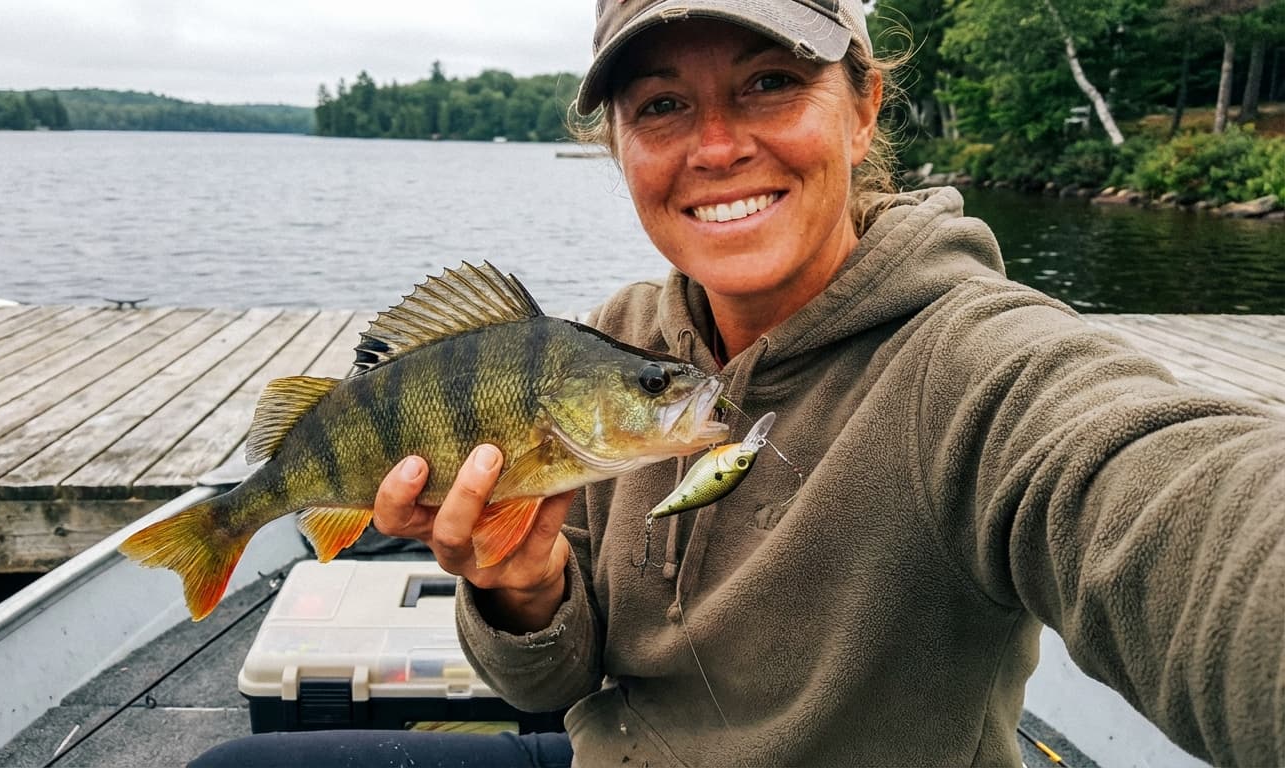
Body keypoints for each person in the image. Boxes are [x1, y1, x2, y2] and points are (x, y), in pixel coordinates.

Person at [193, 0, 1285, 765]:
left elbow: (1168, 506)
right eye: (661, 105)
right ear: (617, 143)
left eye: (770, 82)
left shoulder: (978, 367)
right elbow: (552, 688)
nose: (716, 145)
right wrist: (517, 589)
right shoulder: (617, 341)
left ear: (861, 111)